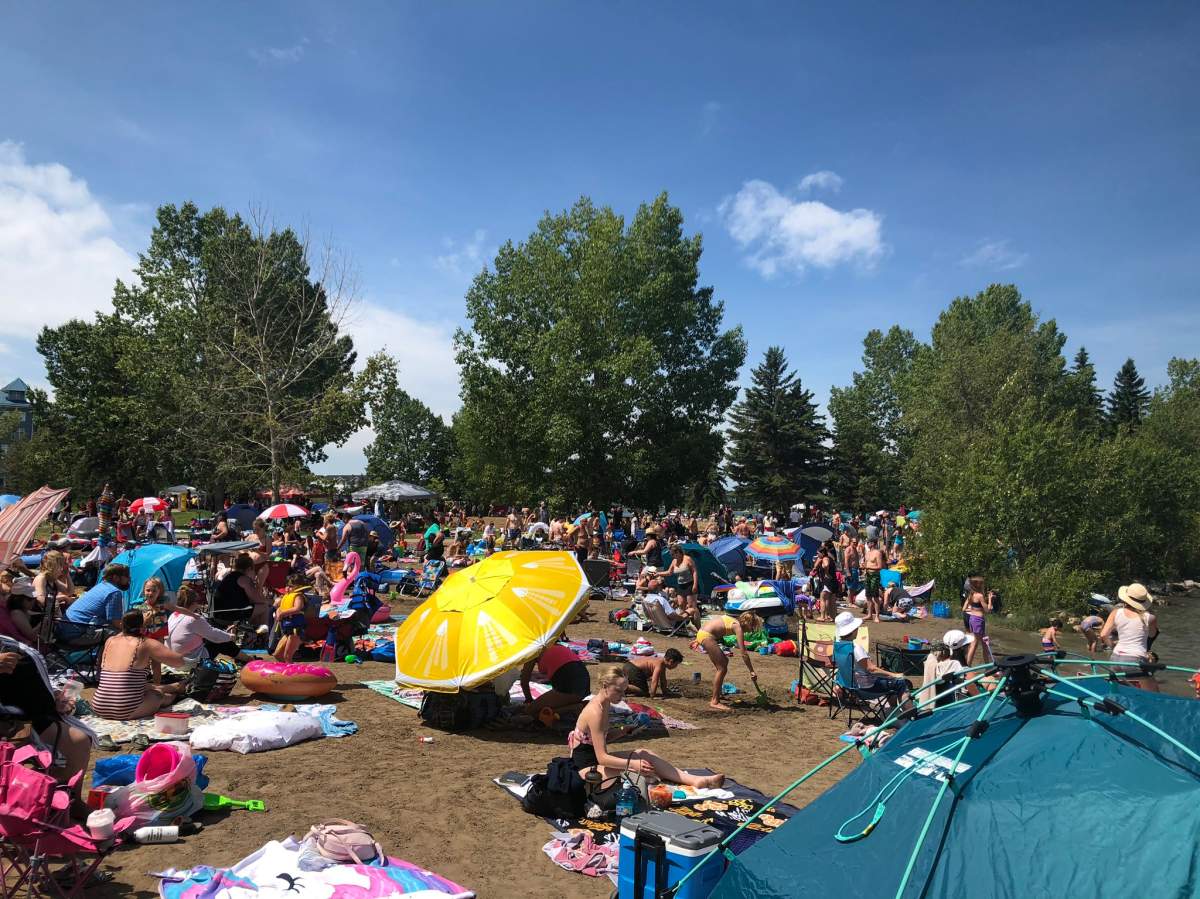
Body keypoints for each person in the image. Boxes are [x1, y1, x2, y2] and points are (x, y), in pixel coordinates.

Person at [568, 665, 724, 790]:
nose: (622, 696)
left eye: (624, 691)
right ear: (605, 686)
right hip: (586, 767)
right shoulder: (596, 711)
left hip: (595, 759)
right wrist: (633, 764)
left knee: (646, 754)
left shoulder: (606, 702)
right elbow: (602, 757)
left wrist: (624, 730)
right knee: (636, 777)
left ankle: (695, 780)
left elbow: (601, 738)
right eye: (618, 691)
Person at [0, 638, 94, 805]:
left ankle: (71, 802)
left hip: (25, 716)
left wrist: (53, 695)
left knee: (77, 741)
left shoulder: (9, 640)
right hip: (10, 722)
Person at [90, 610, 187, 719]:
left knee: (135, 684)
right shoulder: (146, 643)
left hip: (99, 706)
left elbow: (124, 632)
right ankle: (173, 692)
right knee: (157, 696)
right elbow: (179, 662)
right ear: (142, 625)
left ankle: (171, 687)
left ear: (122, 625)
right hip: (125, 709)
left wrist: (139, 625)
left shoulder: (110, 640)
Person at [833, 611, 912, 713]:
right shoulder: (856, 648)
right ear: (853, 630)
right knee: (900, 682)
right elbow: (872, 669)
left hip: (849, 687)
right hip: (864, 689)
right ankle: (912, 714)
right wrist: (894, 675)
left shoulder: (838, 646)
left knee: (889, 682)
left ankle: (892, 712)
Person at [692, 612, 761, 711]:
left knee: (723, 662)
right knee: (722, 668)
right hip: (707, 636)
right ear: (748, 623)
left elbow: (714, 624)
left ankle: (718, 693)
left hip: (703, 634)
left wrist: (698, 639)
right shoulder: (738, 627)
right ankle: (715, 701)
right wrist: (751, 671)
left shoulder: (734, 621)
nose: (751, 630)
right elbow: (743, 653)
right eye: (753, 627)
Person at [1100, 583, 1159, 690]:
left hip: (1115, 657)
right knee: (1152, 691)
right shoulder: (1150, 618)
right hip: (1134, 659)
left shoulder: (1116, 612)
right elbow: (1152, 634)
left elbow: (1103, 635)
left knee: (1116, 690)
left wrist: (1112, 645)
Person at [166, 584, 241, 665]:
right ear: (194, 603)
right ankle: (247, 658)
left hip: (172, 657)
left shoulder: (173, 615)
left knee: (215, 637)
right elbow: (214, 636)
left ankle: (242, 658)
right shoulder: (194, 618)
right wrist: (231, 637)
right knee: (222, 643)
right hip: (188, 660)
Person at [61, 562, 129, 641]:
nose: (129, 578)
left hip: (64, 628)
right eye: (126, 576)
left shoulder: (101, 586)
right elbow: (116, 623)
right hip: (76, 634)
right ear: (116, 577)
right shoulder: (114, 592)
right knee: (124, 635)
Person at [519, 642, 590, 717]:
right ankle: (581, 705)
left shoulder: (533, 651)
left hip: (569, 681)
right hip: (584, 678)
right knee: (560, 701)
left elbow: (524, 681)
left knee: (531, 711)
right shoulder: (555, 645)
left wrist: (529, 700)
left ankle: (574, 708)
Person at [918, 629, 979, 705]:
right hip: (960, 709)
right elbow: (979, 699)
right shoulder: (965, 672)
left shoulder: (941, 666)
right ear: (964, 648)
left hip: (941, 706)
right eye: (968, 645)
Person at [212, 552, 265, 627]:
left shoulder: (229, 576)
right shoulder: (244, 579)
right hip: (231, 615)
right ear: (249, 568)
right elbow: (257, 600)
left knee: (253, 608)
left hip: (219, 613)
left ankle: (251, 632)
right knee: (264, 607)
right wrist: (269, 601)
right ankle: (262, 635)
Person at [662, 545, 700, 626]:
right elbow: (669, 572)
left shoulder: (687, 559)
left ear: (678, 552)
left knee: (691, 607)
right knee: (681, 605)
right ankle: (683, 624)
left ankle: (697, 626)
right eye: (671, 555)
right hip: (681, 585)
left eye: (673, 554)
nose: (672, 556)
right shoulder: (674, 561)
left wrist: (695, 585)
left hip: (690, 584)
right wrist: (658, 573)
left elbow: (694, 572)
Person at [962, 576, 993, 665]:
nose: (983, 586)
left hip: (973, 619)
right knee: (975, 644)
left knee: (984, 644)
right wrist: (990, 599)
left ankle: (987, 665)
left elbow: (964, 609)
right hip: (978, 621)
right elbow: (988, 610)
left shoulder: (971, 595)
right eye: (982, 584)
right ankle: (967, 666)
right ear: (979, 585)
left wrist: (974, 610)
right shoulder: (980, 596)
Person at [272, 586, 308, 663]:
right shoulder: (286, 596)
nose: (287, 588)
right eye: (287, 586)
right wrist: (278, 612)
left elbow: (297, 608)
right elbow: (280, 608)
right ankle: (285, 672)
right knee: (277, 655)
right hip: (287, 630)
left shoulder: (298, 596)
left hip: (296, 629)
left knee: (287, 656)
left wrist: (283, 613)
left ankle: (292, 673)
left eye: (291, 586)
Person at [1, 577, 39, 645]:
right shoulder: (16, 613)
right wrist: (46, 619)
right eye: (29, 599)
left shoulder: (23, 610)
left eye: (34, 598)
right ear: (19, 600)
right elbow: (32, 636)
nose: (33, 602)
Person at [862, 539, 886, 623]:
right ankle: (869, 614)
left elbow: (880, 566)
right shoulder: (867, 553)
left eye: (868, 542)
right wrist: (864, 567)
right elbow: (866, 564)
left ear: (873, 543)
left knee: (875, 596)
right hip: (867, 575)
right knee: (868, 596)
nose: (867, 544)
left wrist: (868, 568)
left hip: (874, 576)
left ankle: (877, 616)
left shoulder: (877, 553)